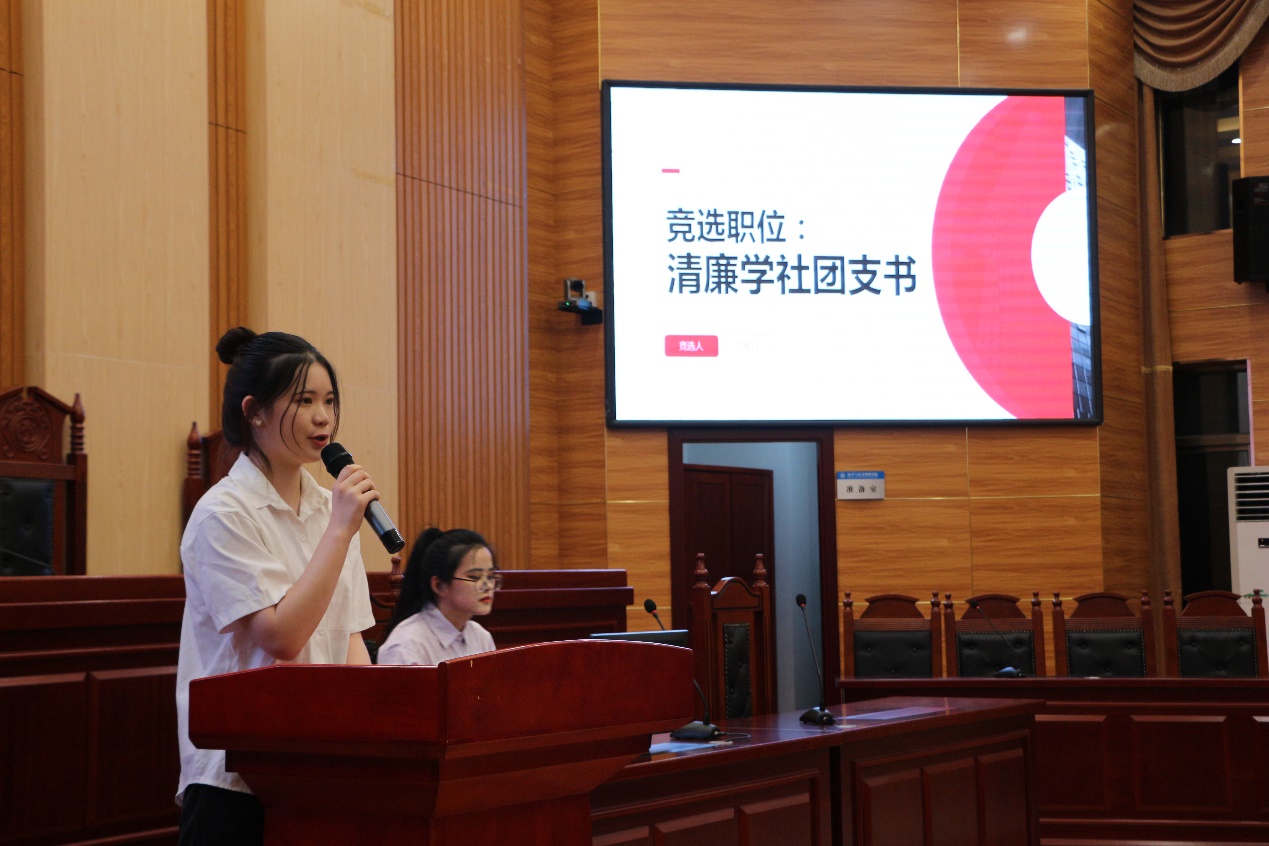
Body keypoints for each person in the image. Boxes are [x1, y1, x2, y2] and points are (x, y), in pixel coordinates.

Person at [175, 327, 379, 846]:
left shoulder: (332, 510)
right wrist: (340, 531)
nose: (323, 417)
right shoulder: (223, 513)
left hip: (319, 767)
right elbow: (280, 637)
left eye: (329, 401)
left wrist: (371, 737)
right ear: (255, 412)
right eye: (304, 401)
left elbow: (350, 639)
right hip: (236, 777)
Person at [376, 527, 499, 665]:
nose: (488, 586)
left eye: (490, 576)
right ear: (439, 585)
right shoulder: (406, 644)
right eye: (474, 577)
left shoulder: (481, 637)